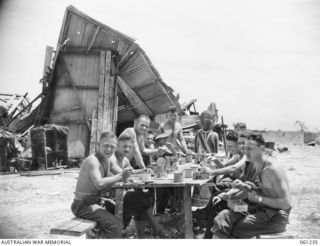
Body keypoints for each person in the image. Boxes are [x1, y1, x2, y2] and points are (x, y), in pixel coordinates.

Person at [211, 133, 292, 238]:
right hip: (257, 209)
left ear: (261, 149)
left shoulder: (272, 170)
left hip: (275, 217)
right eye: (244, 148)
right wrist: (245, 188)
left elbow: (286, 203)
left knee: (238, 227)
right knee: (223, 217)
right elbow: (261, 190)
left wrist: (258, 199)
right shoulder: (256, 164)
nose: (245, 152)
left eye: (250, 149)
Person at [111, 134, 177, 238]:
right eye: (124, 146)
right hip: (113, 197)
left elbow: (131, 171)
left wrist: (143, 170)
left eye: (129, 147)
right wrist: (130, 178)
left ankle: (146, 236)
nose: (127, 149)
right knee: (143, 199)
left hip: (121, 193)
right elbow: (122, 174)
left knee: (142, 201)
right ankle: (158, 229)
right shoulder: (112, 159)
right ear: (117, 146)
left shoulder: (125, 160)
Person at [71, 131, 132, 239]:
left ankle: (104, 236)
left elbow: (121, 173)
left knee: (127, 211)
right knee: (116, 225)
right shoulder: (92, 161)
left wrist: (128, 175)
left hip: (97, 201)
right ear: (98, 145)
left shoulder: (108, 160)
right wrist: (121, 176)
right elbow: (99, 184)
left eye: (112, 147)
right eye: (105, 146)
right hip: (82, 206)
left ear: (116, 148)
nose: (108, 149)